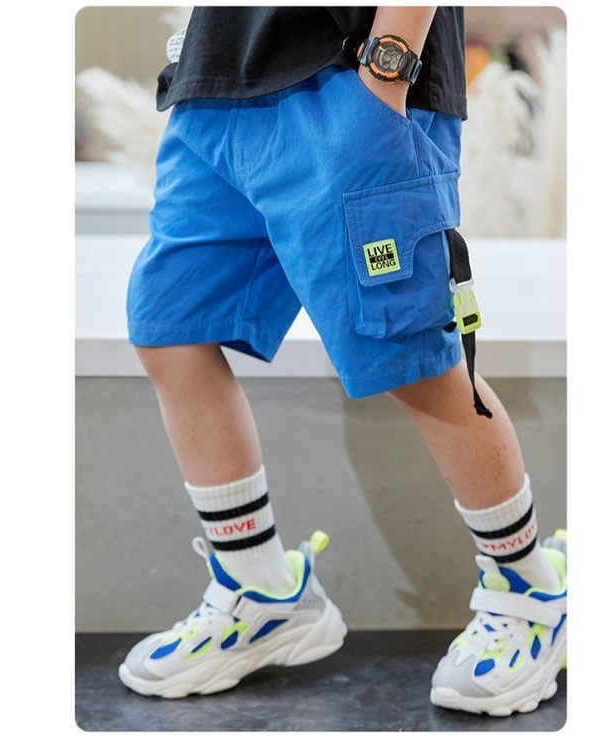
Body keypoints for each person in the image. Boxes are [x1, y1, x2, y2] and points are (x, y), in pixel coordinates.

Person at [120, 6, 567, 717]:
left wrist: (387, 69)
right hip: (215, 85)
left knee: (411, 354)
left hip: (346, 77)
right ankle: (260, 590)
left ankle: (532, 591)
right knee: (170, 328)